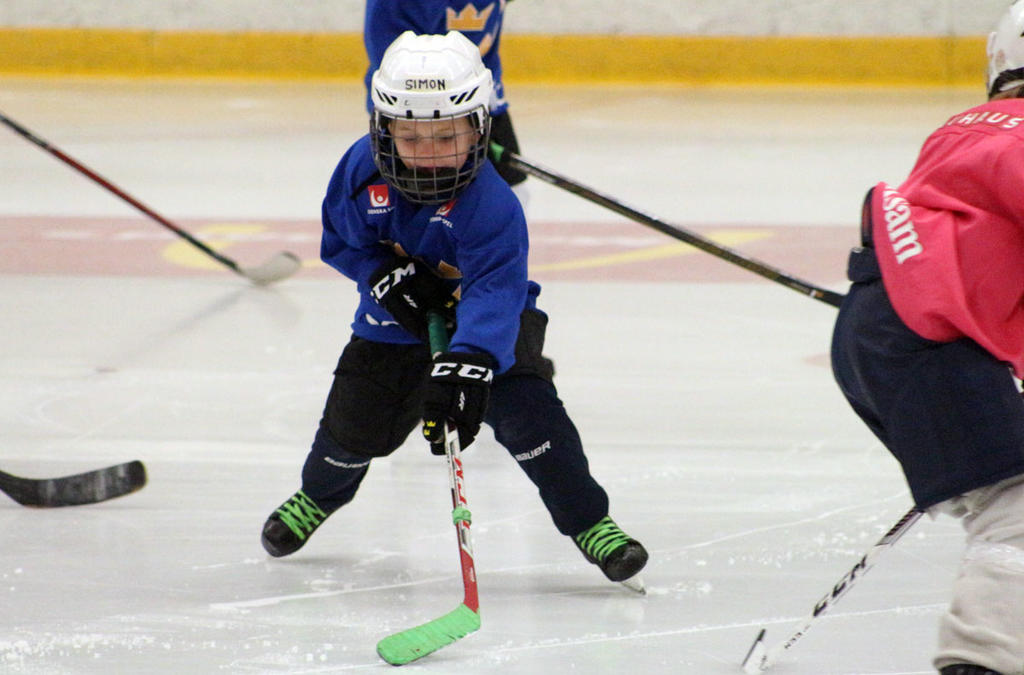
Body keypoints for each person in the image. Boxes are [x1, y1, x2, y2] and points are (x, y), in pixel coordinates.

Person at [260, 31, 648, 587]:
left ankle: (591, 522)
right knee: (352, 430)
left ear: (479, 127)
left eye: (447, 136)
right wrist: (382, 275)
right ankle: (318, 496)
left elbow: (496, 291)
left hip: (486, 329)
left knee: (533, 420)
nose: (429, 152)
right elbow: (340, 240)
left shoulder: (493, 206)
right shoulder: (359, 170)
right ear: (383, 127)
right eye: (410, 136)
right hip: (391, 329)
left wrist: (470, 360)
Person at [830, 3, 1024, 673]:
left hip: (886, 326)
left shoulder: (966, 128)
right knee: (1016, 505)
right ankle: (981, 658)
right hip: (924, 340)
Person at [362, 0, 529, 194]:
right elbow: (394, 71)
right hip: (410, 116)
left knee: (515, 194)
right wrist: (448, 136)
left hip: (485, 110)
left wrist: (471, 132)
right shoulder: (393, 5)